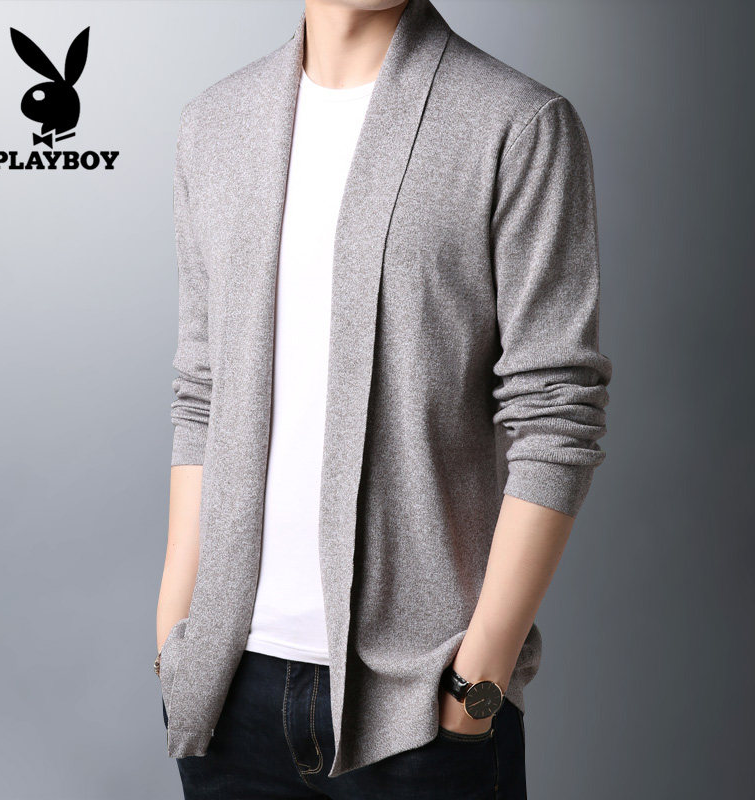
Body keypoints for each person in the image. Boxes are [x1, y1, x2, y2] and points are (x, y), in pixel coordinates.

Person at [154, 0, 612, 797]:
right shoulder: (214, 125)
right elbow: (203, 391)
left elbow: (556, 412)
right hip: (227, 693)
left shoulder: (517, 124)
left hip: (422, 704)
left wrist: (477, 685)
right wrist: (174, 638)